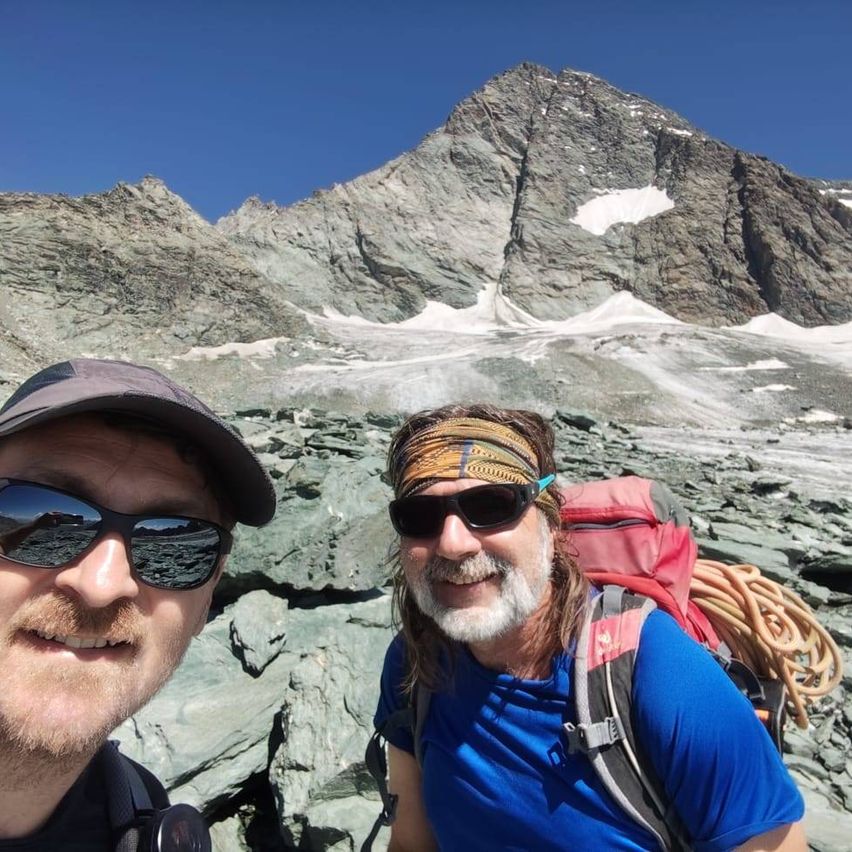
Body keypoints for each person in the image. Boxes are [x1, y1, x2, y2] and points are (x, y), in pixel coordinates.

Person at [374, 403, 806, 851]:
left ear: (551, 523)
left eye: (491, 506)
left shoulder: (659, 674)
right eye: (420, 516)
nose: (452, 543)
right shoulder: (415, 660)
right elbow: (410, 842)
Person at [0, 358, 275, 850]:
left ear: (210, 591)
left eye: (176, 543)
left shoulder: (140, 812)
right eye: (34, 513)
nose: (102, 584)